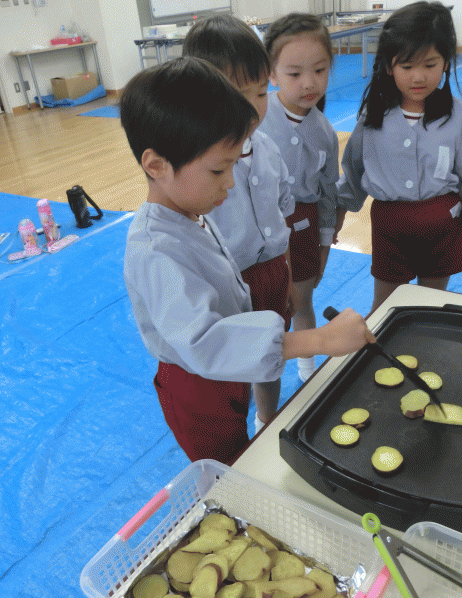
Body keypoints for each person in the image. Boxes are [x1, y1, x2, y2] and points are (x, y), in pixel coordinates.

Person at [120, 57, 375, 466]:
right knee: (224, 467)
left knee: (238, 446)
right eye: (219, 170)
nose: (229, 183)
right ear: (156, 165)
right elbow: (206, 343)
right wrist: (320, 340)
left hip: (224, 372)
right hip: (197, 386)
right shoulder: (155, 251)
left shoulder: (189, 212)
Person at [335, 2, 462, 313]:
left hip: (442, 226)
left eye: (430, 65)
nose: (418, 77)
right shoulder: (373, 117)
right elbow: (354, 170)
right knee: (385, 307)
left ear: (446, 62)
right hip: (390, 226)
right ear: (389, 66)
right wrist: (337, 213)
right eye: (406, 67)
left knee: (430, 306)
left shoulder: (459, 117)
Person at [181, 14, 294, 432]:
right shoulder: (198, 166)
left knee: (273, 354)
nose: (252, 107)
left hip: (271, 271)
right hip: (228, 284)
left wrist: (286, 275)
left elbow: (283, 206)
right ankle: (239, 428)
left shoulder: (267, 147)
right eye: (236, 94)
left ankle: (267, 417)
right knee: (232, 370)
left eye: (261, 92)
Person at [259, 13, 343, 382]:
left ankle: (307, 371)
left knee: (302, 301)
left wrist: (324, 243)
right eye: (294, 73)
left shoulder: (325, 132)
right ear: (272, 74)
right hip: (261, 232)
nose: (309, 83)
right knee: (266, 309)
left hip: (304, 227)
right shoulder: (255, 118)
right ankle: (264, 376)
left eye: (319, 70)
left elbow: (328, 194)